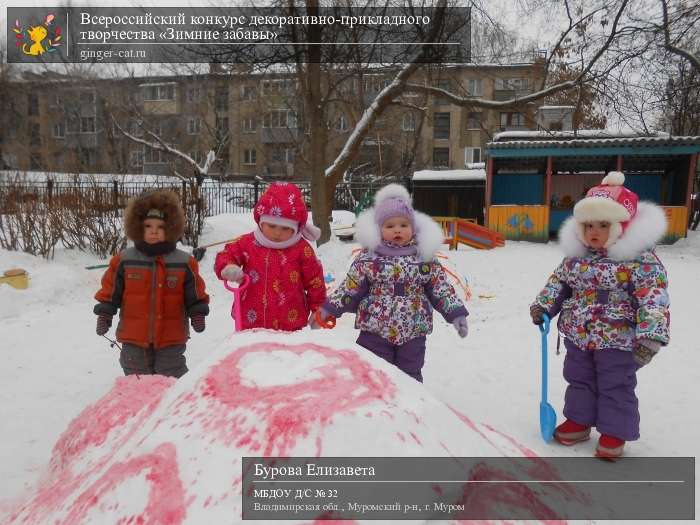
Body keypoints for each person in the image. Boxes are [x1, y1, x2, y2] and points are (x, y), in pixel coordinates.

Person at [530, 171, 670, 458]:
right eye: (588, 225)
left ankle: (614, 431)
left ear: (622, 226)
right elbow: (559, 282)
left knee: (615, 383)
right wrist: (544, 305)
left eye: (603, 224)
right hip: (579, 334)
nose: (594, 231)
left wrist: (651, 335)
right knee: (578, 377)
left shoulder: (640, 261)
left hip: (618, 338)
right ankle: (580, 420)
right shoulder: (576, 258)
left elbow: (653, 297)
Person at [313, 184, 469, 382]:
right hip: (375, 328)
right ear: (379, 229)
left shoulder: (424, 258)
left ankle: (412, 402)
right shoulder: (370, 258)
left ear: (413, 228)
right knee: (373, 372)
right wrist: (328, 310)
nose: (397, 230)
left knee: (410, 373)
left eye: (403, 225)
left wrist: (456, 313)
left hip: (413, 329)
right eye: (390, 226)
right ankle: (374, 402)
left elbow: (441, 289)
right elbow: (350, 287)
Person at [94, 190, 210, 378]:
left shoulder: (184, 262)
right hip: (134, 335)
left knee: (171, 374)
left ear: (171, 228)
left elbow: (195, 293)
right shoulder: (124, 260)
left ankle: (171, 405)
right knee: (136, 375)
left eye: (160, 227)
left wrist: (197, 312)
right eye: (148, 226)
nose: (154, 231)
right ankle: (139, 405)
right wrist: (105, 314)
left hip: (171, 336)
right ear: (138, 227)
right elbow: (110, 291)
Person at [214, 182, 326, 331]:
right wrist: (228, 267)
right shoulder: (247, 243)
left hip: (291, 324)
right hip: (251, 322)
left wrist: (319, 309)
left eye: (286, 228)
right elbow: (226, 254)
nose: (277, 233)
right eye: (271, 226)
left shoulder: (301, 249)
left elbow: (315, 281)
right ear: (261, 222)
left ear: (296, 228)